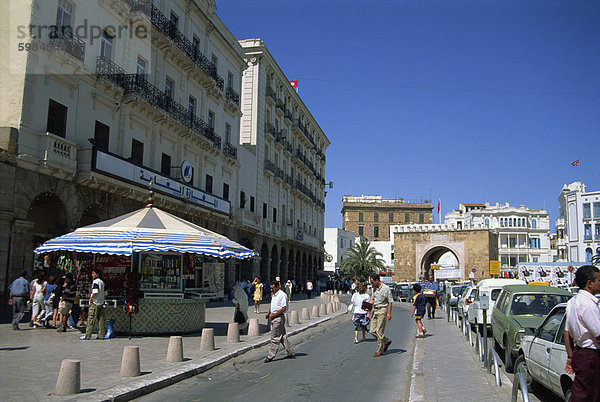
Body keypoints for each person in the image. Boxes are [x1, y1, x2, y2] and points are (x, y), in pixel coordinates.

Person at [564, 265, 600, 402]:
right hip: (591, 355)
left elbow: (567, 332)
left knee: (582, 394)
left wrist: (570, 355)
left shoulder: (572, 301)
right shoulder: (588, 305)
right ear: (590, 283)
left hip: (580, 353)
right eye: (599, 280)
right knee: (588, 396)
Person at [264, 280, 294, 362]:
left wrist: (274, 315)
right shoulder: (274, 295)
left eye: (273, 288)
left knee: (274, 337)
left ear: (277, 287)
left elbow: (283, 307)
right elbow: (273, 305)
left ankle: (271, 355)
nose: (271, 290)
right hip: (274, 317)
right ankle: (290, 351)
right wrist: (269, 313)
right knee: (282, 336)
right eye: (270, 288)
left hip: (278, 318)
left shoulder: (282, 295)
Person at [368, 273, 393, 357]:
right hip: (375, 310)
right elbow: (372, 300)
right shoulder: (374, 289)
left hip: (382, 310)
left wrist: (389, 313)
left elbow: (390, 301)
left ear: (377, 280)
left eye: (372, 282)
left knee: (379, 331)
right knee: (372, 331)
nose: (372, 284)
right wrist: (366, 307)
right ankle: (386, 341)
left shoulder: (386, 288)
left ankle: (380, 350)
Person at [82, 268, 107, 340]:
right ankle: (101, 335)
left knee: (91, 319)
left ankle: (88, 335)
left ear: (97, 274)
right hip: (101, 302)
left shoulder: (95, 282)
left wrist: (91, 298)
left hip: (95, 303)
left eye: (93, 273)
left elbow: (95, 292)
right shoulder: (102, 282)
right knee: (101, 319)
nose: (92, 275)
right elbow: (105, 293)